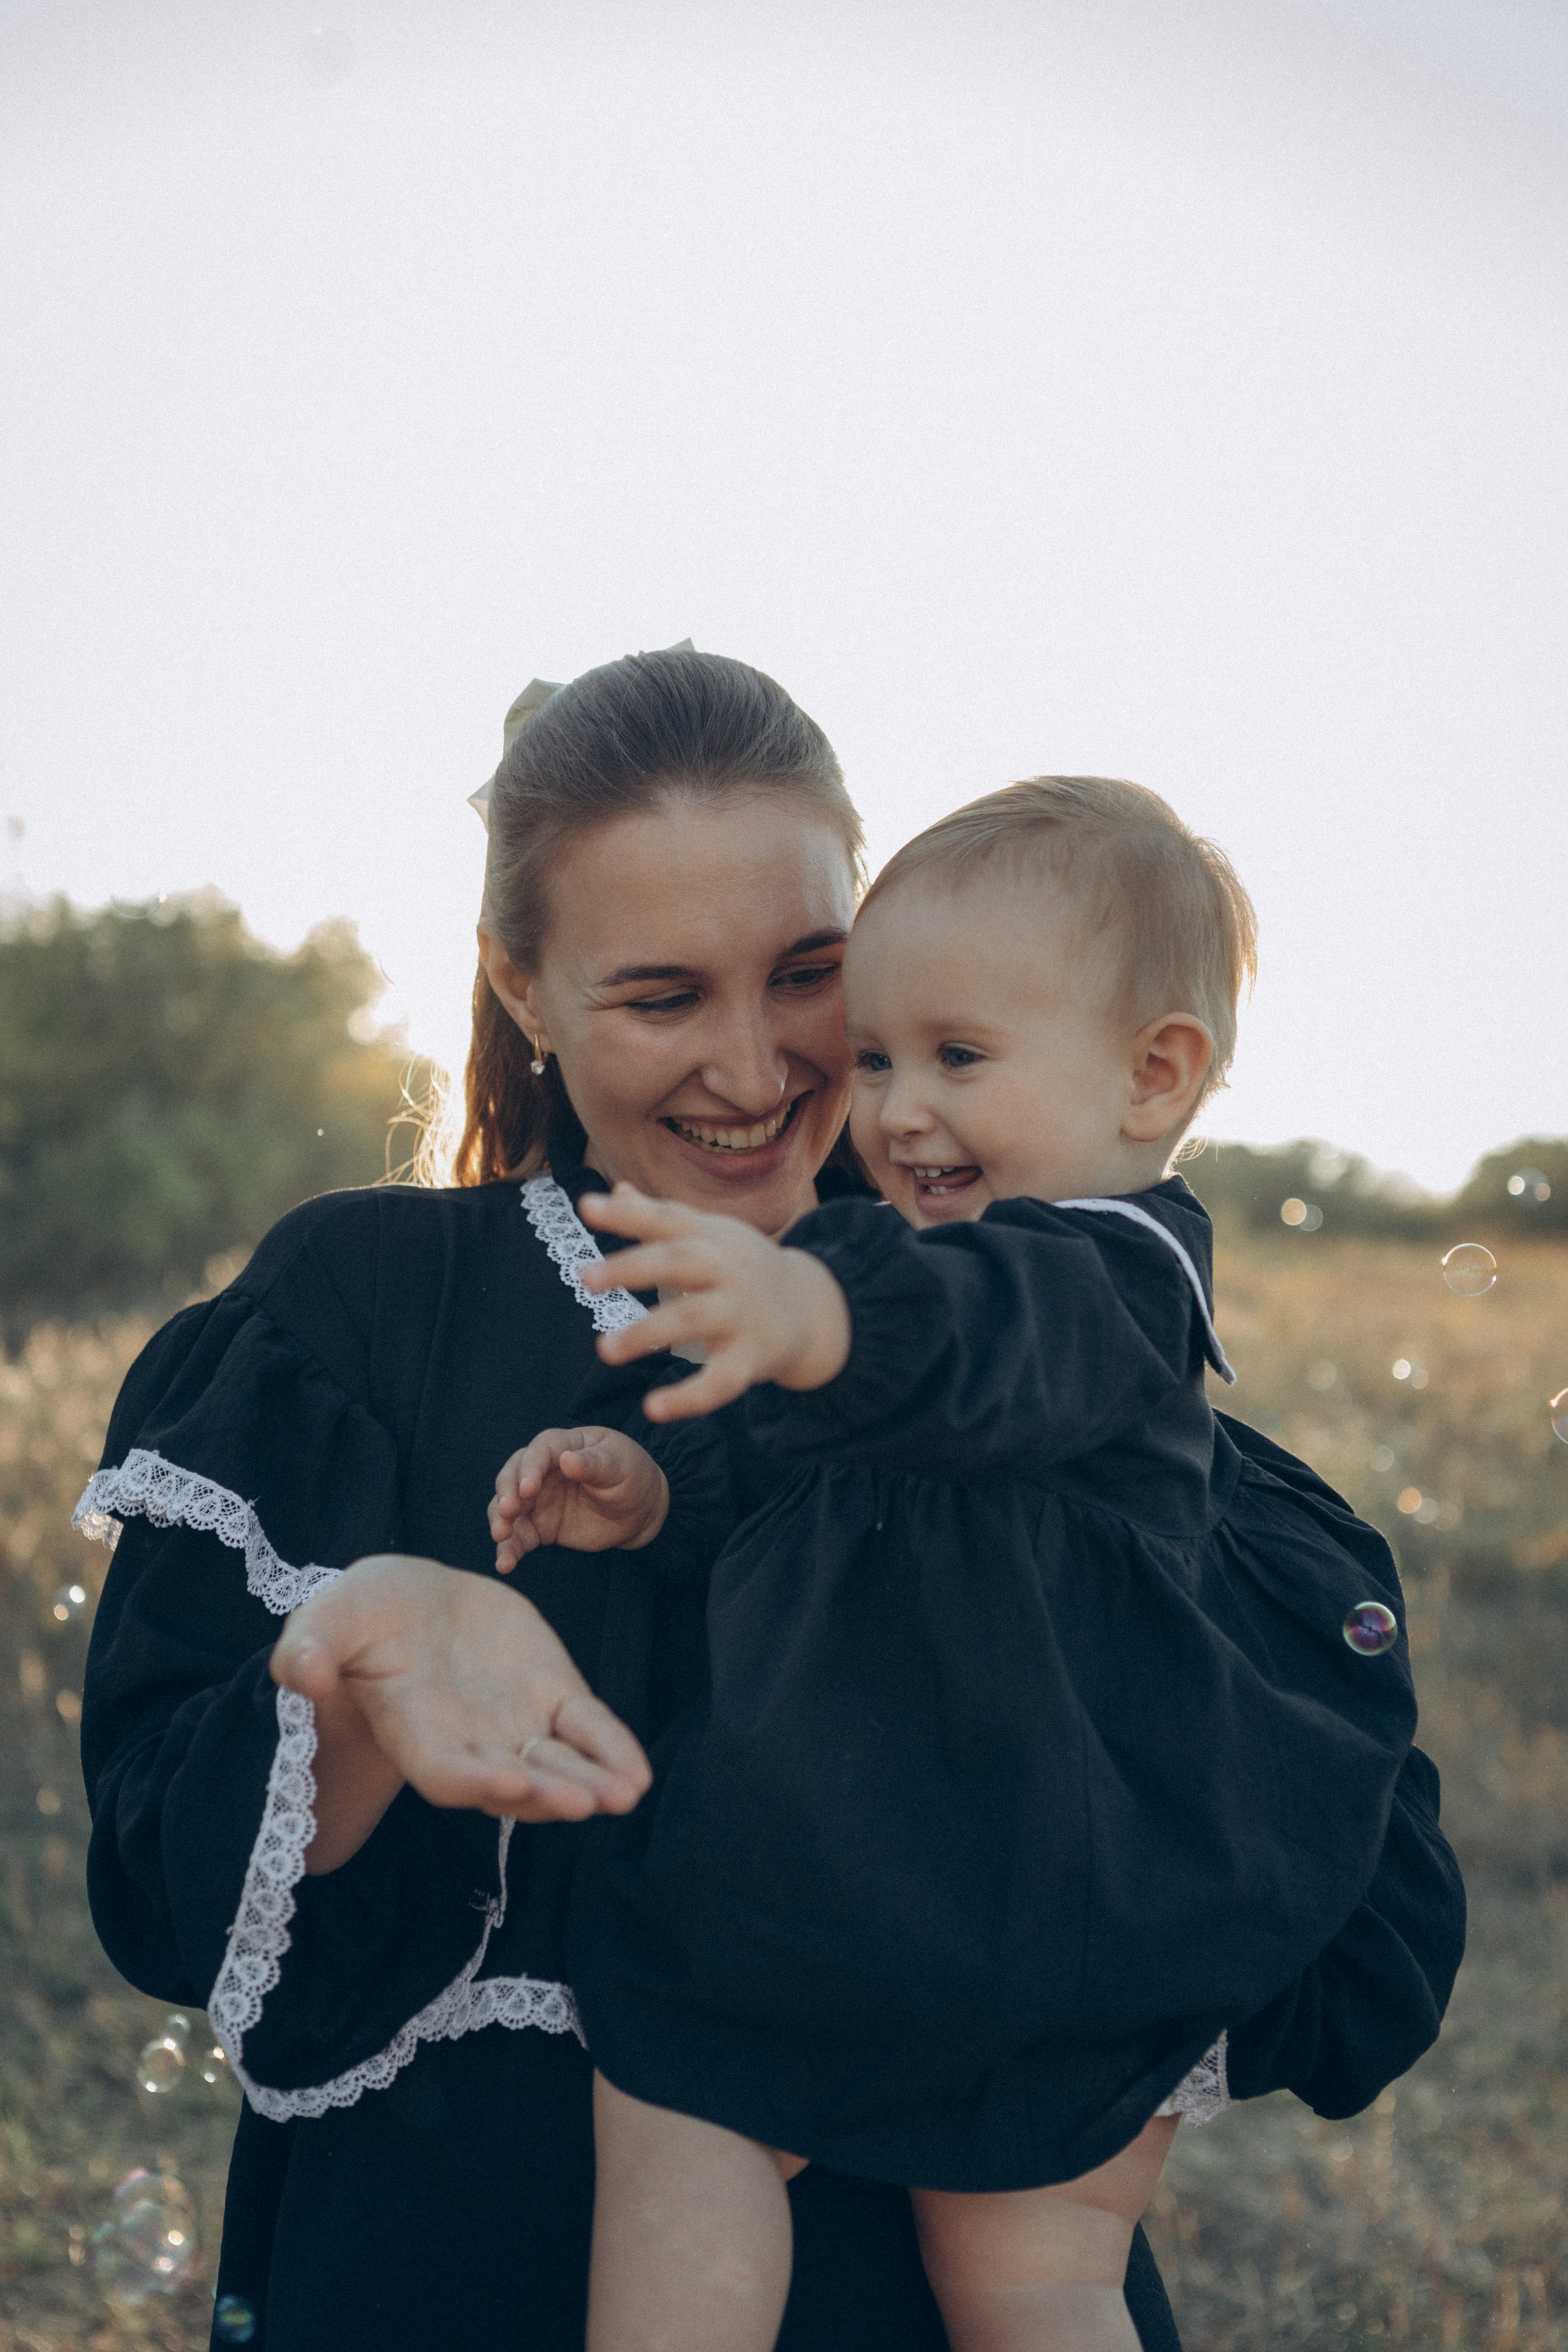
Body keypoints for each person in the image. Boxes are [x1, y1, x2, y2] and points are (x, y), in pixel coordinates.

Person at [75, 652, 1205, 2351]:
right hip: (453, 2243)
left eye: (806, 975)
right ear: (521, 988)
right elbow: (163, 1888)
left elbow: (1238, 1709)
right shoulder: (362, 1306)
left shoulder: (1004, 1301)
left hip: (919, 2231)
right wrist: (367, 1690)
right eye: (662, 997)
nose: (754, 1070)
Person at [488, 778, 1468, 2352]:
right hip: (907, 1875)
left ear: (1154, 1077)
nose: (896, 1109)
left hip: (967, 1878)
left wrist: (819, 1319)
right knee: (741, 2148)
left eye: (957, 1057)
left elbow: (983, 1351)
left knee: (800, 2142)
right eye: (873, 1058)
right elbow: (785, 1471)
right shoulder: (896, 1268)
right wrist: (654, 1488)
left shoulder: (1117, 1271)